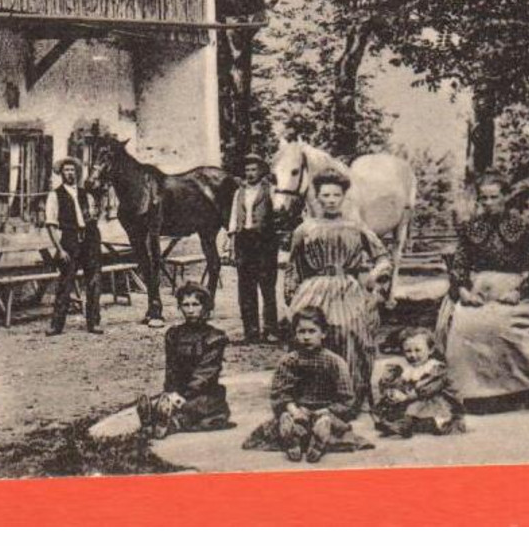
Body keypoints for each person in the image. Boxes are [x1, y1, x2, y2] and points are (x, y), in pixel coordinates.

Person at [435, 171, 529, 414]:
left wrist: (519, 292)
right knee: (464, 325)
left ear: (506, 197)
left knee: (500, 326)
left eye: (494, 197)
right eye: (484, 198)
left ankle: (517, 390)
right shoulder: (470, 229)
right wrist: (463, 290)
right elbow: (459, 264)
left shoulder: (524, 228)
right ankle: (472, 394)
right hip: (478, 290)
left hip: (514, 293)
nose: (488, 203)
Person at [282, 168, 391, 411]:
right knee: (307, 331)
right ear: (318, 198)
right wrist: (290, 298)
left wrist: (374, 276)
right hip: (313, 289)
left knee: (348, 329)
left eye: (336, 195)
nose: (330, 200)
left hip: (347, 289)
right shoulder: (305, 229)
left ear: (343, 197)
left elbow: (383, 257)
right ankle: (310, 396)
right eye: (325, 195)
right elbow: (293, 267)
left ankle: (349, 397)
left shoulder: (356, 226)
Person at [242, 306, 372, 462]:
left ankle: (317, 439)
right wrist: (294, 410)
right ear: (295, 334)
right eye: (301, 332)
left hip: (325, 411)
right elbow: (280, 393)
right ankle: (293, 438)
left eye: (312, 331)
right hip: (298, 411)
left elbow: (346, 398)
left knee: (332, 427)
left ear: (323, 333)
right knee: (286, 423)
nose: (306, 337)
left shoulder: (335, 362)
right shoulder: (289, 361)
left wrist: (325, 411)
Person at [136, 283, 231, 439]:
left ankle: (166, 423)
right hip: (177, 392)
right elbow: (171, 368)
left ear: (205, 307)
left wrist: (182, 396)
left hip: (204, 393)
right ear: (180, 307)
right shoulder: (174, 334)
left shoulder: (215, 337)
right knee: (163, 403)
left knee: (192, 409)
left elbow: (205, 374)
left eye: (195, 304)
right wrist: (171, 391)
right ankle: (154, 419)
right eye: (185, 305)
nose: (190, 310)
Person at [227, 152, 281, 344]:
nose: (250, 173)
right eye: (247, 169)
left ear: (261, 170)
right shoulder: (239, 192)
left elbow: (279, 211)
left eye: (253, 169)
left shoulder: (271, 190)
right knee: (246, 288)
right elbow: (234, 217)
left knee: (267, 287)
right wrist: (231, 242)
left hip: (265, 242)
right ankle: (250, 331)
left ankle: (270, 330)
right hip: (244, 241)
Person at [45, 157, 103, 336]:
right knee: (65, 283)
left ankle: (93, 322)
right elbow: (51, 225)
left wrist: (94, 215)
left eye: (72, 170)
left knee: (94, 281)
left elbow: (94, 215)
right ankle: (56, 324)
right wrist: (60, 250)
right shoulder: (55, 195)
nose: (70, 173)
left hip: (90, 239)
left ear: (77, 173)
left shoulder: (87, 194)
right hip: (69, 240)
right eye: (66, 170)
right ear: (61, 173)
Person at [373, 327, 464, 437]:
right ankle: (402, 423)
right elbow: (396, 383)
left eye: (418, 350)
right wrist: (393, 391)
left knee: (420, 406)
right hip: (412, 399)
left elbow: (429, 388)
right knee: (391, 406)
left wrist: (406, 397)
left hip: (432, 400)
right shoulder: (405, 368)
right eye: (408, 351)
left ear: (430, 350)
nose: (413, 355)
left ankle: (407, 425)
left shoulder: (435, 368)